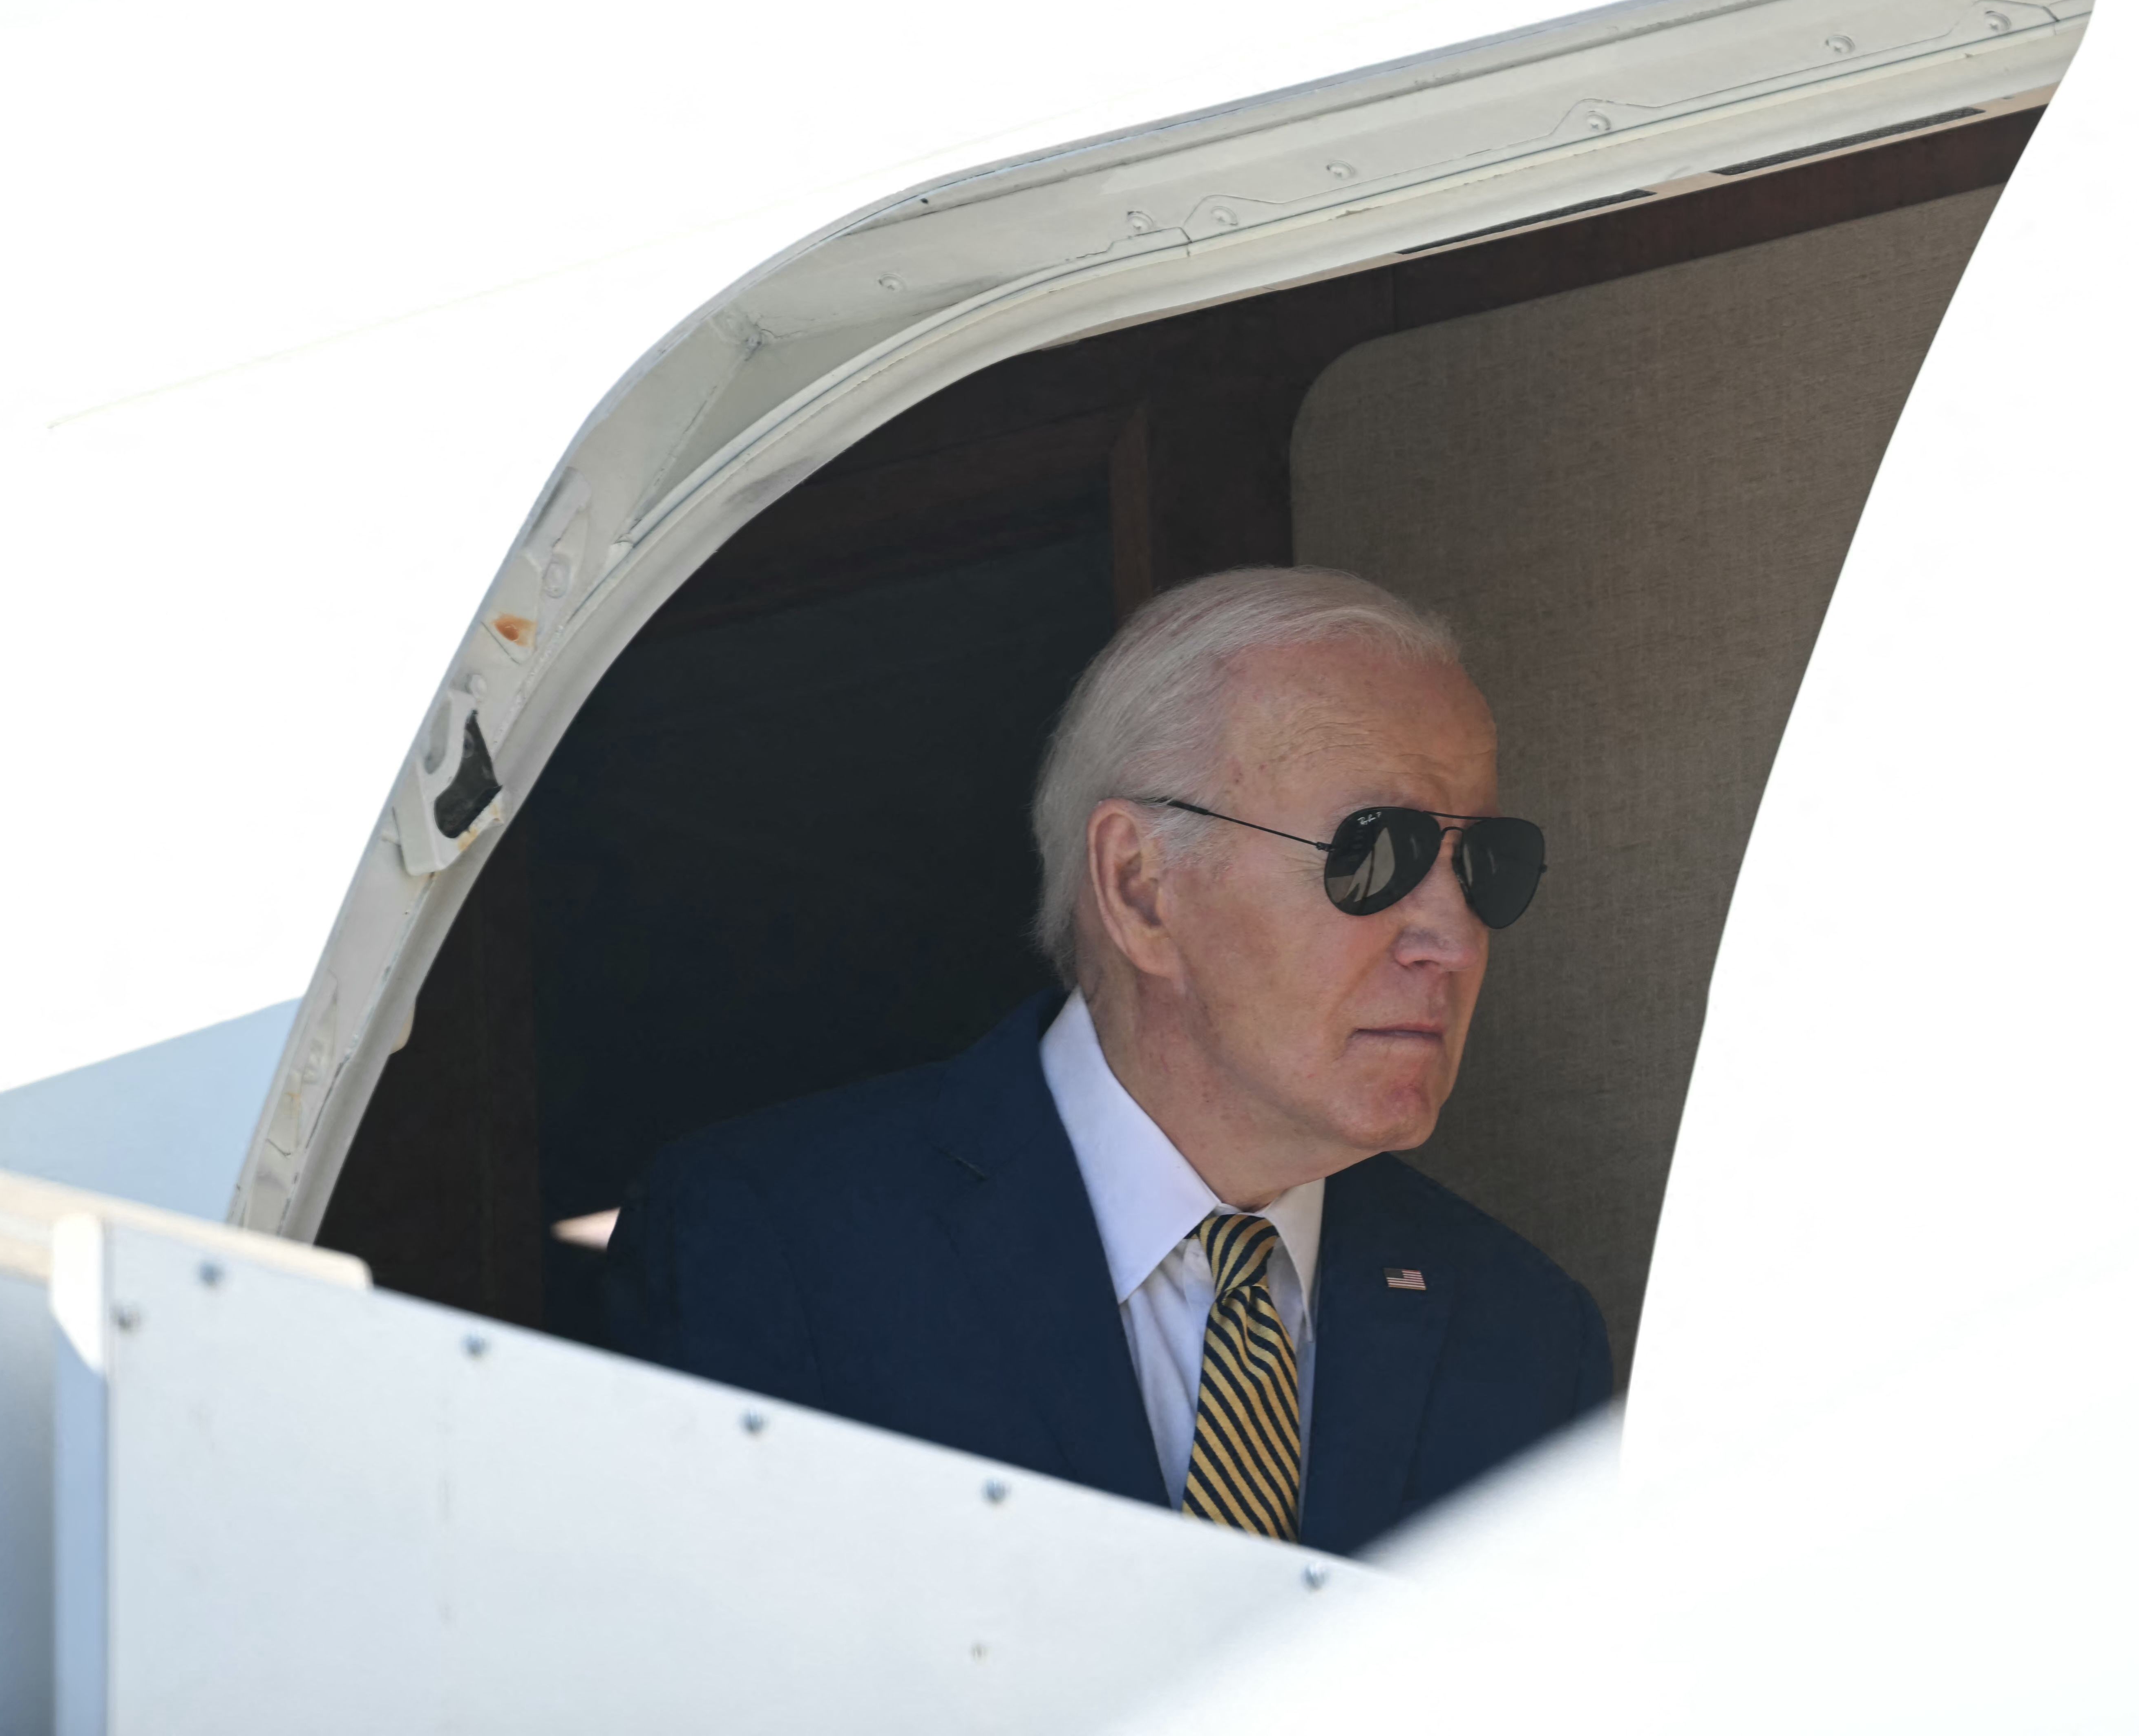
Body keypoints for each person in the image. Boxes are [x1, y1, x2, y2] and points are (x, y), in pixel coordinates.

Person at [603, 565, 1610, 1554]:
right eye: (1372, 852)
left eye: (1486, 863)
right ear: (1140, 887)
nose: (1455, 935)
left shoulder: (1525, 1335)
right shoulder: (768, 1246)